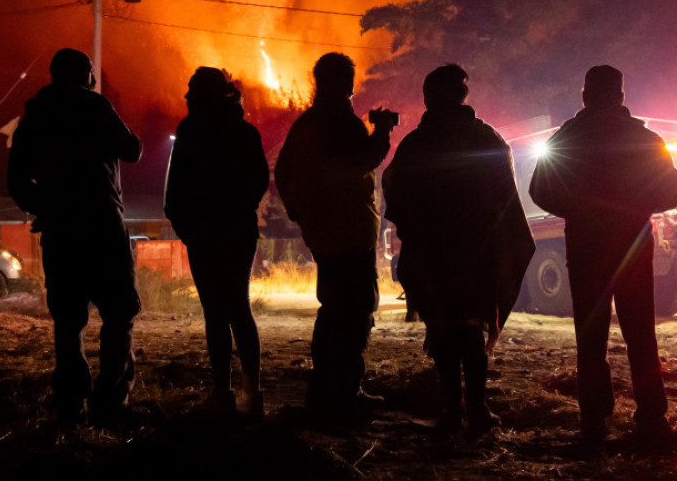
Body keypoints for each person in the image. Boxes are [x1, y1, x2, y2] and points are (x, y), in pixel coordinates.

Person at [382, 64, 534, 437]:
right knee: (471, 327)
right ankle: (476, 408)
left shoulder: (416, 144)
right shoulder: (488, 139)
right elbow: (506, 202)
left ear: (428, 98)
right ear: (463, 97)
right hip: (477, 257)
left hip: (432, 257)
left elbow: (394, 192)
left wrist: (416, 229)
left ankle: (454, 408)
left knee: (443, 328)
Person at [530, 65, 677, 449]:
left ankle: (593, 421)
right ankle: (652, 418)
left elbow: (539, 189)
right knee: (641, 334)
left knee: (590, 338)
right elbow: (671, 192)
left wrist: (579, 210)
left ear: (585, 96)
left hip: (586, 248)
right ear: (621, 97)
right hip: (632, 248)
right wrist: (636, 206)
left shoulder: (567, 139)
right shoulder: (645, 140)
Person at [7, 48, 142, 423]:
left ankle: (71, 400)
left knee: (68, 319)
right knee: (119, 311)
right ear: (86, 75)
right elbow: (131, 150)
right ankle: (111, 398)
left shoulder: (35, 116)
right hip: (102, 226)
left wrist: (44, 206)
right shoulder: (94, 106)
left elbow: (16, 177)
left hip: (61, 230)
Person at [274, 52, 397, 425]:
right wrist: (382, 133)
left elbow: (283, 173)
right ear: (347, 84)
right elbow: (361, 160)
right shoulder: (340, 121)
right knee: (356, 313)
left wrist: (301, 213)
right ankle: (344, 396)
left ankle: (325, 392)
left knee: (331, 313)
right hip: (351, 235)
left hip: (324, 235)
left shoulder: (306, 124)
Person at [164, 67, 270, 416]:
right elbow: (258, 183)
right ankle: (251, 393)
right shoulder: (244, 132)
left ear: (204, 95)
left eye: (192, 91)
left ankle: (224, 394)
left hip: (205, 231)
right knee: (238, 308)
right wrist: (236, 209)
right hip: (237, 230)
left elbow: (174, 187)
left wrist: (186, 225)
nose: (187, 97)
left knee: (216, 311)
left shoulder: (191, 131)